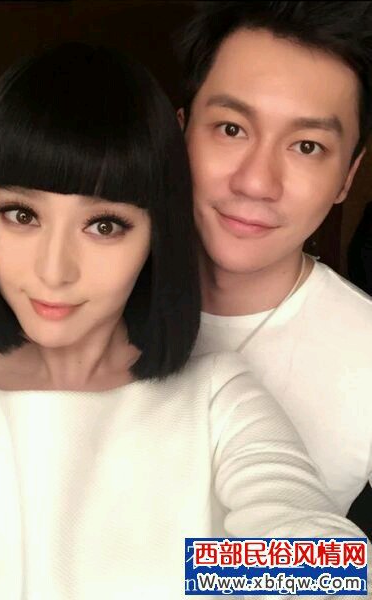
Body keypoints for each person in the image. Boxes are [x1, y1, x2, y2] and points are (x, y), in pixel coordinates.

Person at [0, 42, 369, 600]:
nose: (54, 270)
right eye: (22, 214)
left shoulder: (219, 395)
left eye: (104, 225)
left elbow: (328, 563)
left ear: (155, 233)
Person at [176, 1, 372, 521]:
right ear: (180, 134)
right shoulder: (76, 297)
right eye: (231, 129)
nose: (257, 182)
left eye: (306, 146)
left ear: (348, 177)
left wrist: (201, 564)